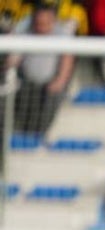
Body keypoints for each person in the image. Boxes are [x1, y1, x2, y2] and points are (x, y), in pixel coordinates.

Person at [3, 1, 74, 137]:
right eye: (38, 23)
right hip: (26, 83)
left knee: (51, 100)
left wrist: (59, 80)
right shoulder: (25, 29)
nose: (41, 26)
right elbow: (14, 59)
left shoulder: (61, 34)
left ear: (52, 20)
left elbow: (67, 60)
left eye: (45, 23)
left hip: (49, 86)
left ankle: (39, 137)